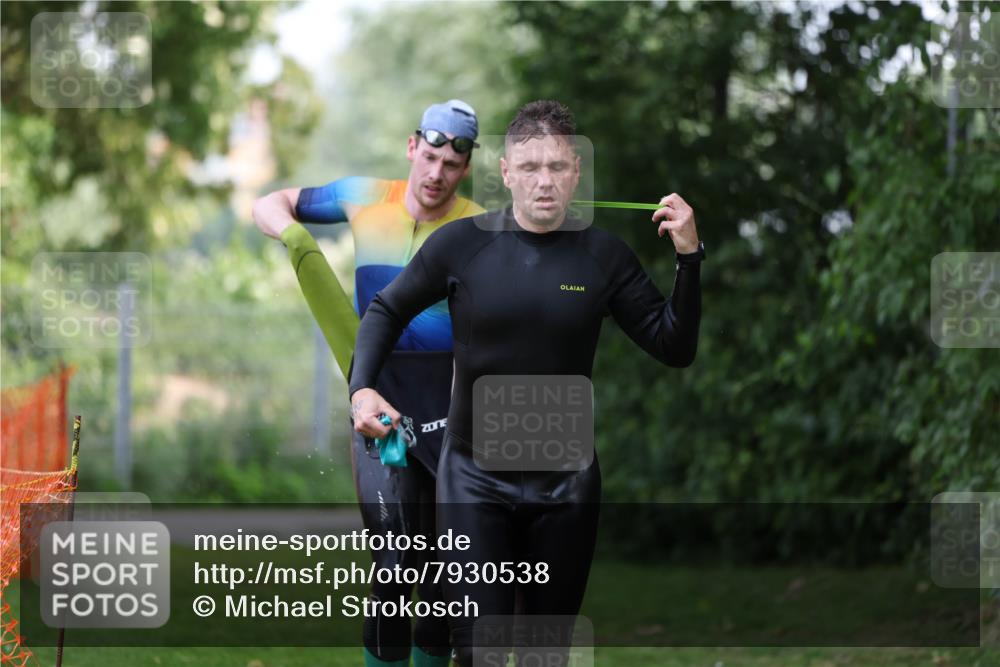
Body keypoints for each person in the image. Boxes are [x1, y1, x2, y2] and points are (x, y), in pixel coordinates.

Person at [347, 99, 704, 666]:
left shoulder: (603, 257)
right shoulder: (462, 246)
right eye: (530, 168)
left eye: (557, 167)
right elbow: (387, 310)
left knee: (545, 655)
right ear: (507, 173)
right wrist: (362, 388)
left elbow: (673, 345)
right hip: (472, 484)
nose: (544, 182)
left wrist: (689, 258)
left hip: (567, 488)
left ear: (576, 174)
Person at [253, 100, 486, 667]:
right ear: (412, 148)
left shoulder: (480, 227)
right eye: (428, 157)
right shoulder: (363, 195)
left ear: (466, 168)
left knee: (441, 571)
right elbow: (271, 200)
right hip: (378, 395)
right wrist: (295, 236)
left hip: (452, 405)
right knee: (394, 562)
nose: (436, 175)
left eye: (450, 165)